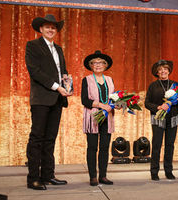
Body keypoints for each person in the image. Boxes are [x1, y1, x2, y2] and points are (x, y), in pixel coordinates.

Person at [25, 14, 72, 190]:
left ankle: (47, 175)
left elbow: (61, 70)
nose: (51, 30)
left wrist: (66, 80)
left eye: (53, 27)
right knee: (37, 138)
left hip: (57, 99)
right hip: (42, 98)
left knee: (50, 138)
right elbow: (35, 71)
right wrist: (56, 86)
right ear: (41, 29)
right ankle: (33, 178)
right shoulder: (33, 45)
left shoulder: (58, 49)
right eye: (47, 27)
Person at [145, 60, 178, 181]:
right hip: (158, 118)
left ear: (169, 71)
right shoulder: (153, 85)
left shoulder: (176, 85)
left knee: (170, 145)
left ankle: (169, 171)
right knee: (156, 145)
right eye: (160, 70)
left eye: (165, 69)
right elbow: (147, 103)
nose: (163, 71)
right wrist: (158, 107)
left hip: (172, 118)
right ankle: (154, 172)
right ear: (157, 72)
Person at [81, 50, 115, 186]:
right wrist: (101, 105)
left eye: (101, 62)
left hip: (108, 117)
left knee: (105, 147)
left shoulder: (110, 80)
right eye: (95, 63)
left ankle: (103, 176)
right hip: (93, 116)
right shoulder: (87, 80)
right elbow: (85, 100)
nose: (98, 65)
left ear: (105, 65)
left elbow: (113, 98)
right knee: (92, 147)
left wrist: (116, 105)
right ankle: (93, 176)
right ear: (91, 65)